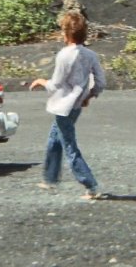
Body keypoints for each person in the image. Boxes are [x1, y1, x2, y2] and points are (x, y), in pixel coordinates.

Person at [29, 11, 106, 200]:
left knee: (69, 144)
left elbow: (55, 84)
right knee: (54, 139)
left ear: (66, 33)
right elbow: (101, 81)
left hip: (63, 105)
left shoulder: (64, 55)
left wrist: (40, 81)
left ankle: (90, 184)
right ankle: (50, 178)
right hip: (77, 104)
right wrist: (90, 95)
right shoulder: (90, 54)